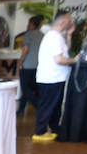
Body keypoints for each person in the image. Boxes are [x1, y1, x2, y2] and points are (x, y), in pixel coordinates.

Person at [32, 11, 75, 142]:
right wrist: (75, 60)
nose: (71, 22)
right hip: (51, 78)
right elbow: (60, 59)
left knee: (54, 105)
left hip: (55, 77)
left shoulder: (57, 36)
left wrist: (69, 35)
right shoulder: (54, 37)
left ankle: (54, 128)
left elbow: (64, 51)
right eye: (69, 20)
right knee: (48, 105)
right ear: (63, 22)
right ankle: (40, 131)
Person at [17, 15, 45, 115]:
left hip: (27, 65)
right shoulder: (42, 35)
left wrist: (20, 62)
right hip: (37, 66)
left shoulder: (28, 34)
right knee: (32, 88)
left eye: (29, 23)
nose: (27, 25)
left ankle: (40, 106)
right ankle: (21, 109)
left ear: (32, 24)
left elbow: (25, 50)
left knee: (25, 88)